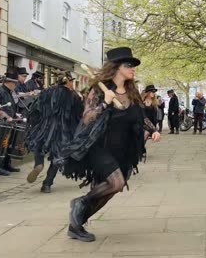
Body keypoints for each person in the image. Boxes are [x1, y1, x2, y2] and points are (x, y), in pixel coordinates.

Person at [54, 47, 161, 242]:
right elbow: (87, 118)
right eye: (129, 65)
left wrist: (153, 129)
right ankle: (80, 202)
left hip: (123, 150)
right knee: (117, 183)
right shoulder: (99, 89)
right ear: (117, 67)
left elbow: (140, 115)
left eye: (134, 66)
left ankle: (76, 225)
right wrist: (104, 103)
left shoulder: (131, 90)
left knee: (109, 191)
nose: (133, 69)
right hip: (100, 147)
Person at [25, 71, 83, 193]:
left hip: (44, 126)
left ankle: (38, 164)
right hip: (63, 131)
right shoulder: (73, 96)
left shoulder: (46, 91)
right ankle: (47, 184)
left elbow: (35, 108)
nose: (73, 84)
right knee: (57, 156)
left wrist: (34, 123)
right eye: (72, 81)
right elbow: (79, 115)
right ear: (68, 81)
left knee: (39, 147)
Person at [0, 72, 21, 176]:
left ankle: (6, 164)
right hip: (1, 123)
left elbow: (9, 106)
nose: (16, 86)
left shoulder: (8, 92)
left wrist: (15, 115)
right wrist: (4, 116)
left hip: (9, 122)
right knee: (0, 145)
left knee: (7, 144)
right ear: (10, 82)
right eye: (15, 83)